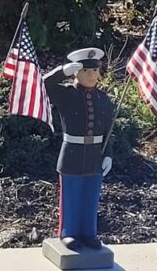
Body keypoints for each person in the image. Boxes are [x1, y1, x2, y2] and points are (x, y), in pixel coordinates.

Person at [43, 48, 114, 251]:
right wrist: (62, 71)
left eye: (94, 71)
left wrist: (108, 154)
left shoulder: (103, 99)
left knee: (90, 195)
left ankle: (88, 232)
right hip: (72, 152)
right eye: (85, 71)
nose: (91, 75)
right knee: (72, 195)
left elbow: (108, 130)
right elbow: (44, 84)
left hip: (95, 154)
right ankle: (69, 232)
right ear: (77, 72)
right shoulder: (66, 94)